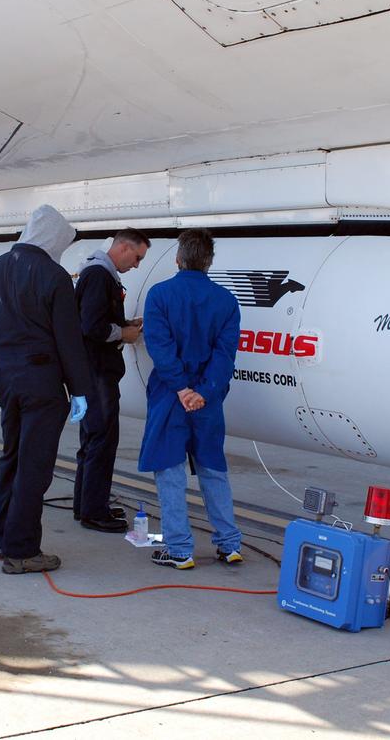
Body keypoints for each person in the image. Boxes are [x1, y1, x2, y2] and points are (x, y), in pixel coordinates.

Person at [0, 204, 92, 574]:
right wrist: (81, 389)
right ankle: (23, 550)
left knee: (11, 457)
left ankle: (6, 540)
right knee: (34, 467)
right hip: (41, 383)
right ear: (53, 238)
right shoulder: (54, 276)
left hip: (6, 380)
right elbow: (68, 341)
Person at [137, 228, 244, 569]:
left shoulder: (159, 295)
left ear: (178, 259)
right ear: (209, 261)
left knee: (170, 471)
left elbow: (160, 347)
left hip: (171, 397)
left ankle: (179, 549)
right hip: (207, 400)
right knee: (213, 468)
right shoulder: (226, 300)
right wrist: (204, 391)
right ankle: (229, 544)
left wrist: (181, 388)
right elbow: (225, 355)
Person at [72, 228, 150, 533]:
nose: (137, 265)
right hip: (98, 371)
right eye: (138, 257)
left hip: (92, 370)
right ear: (123, 247)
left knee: (92, 439)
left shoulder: (96, 273)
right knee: (102, 440)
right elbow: (90, 326)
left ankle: (86, 505)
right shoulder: (99, 276)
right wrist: (123, 333)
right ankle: (94, 511)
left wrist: (123, 324)